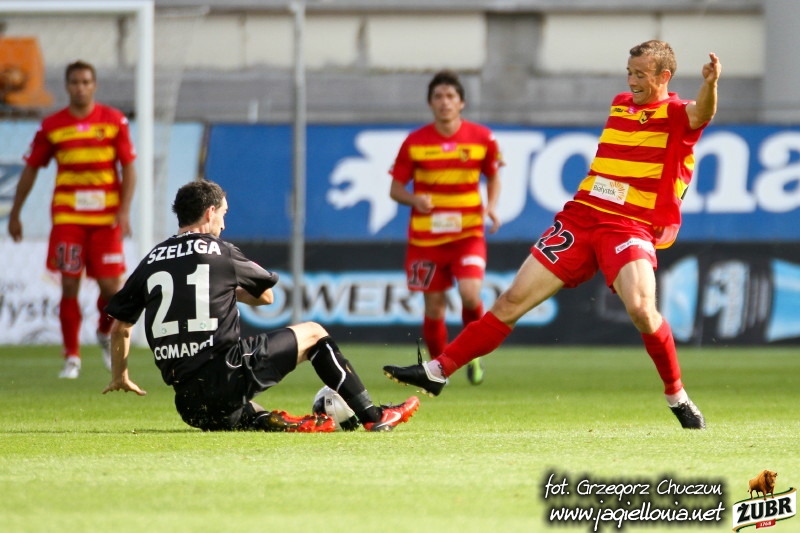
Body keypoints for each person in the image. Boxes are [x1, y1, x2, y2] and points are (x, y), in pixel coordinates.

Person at [385, 41, 722, 430]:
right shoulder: (620, 104)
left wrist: (710, 85)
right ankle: (438, 371)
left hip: (628, 224)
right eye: (629, 73)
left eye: (640, 75)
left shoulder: (677, 113)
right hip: (581, 217)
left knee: (642, 310)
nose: (632, 82)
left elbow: (703, 113)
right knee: (511, 301)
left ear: (664, 77)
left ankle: (676, 395)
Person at [101, 179, 420, 432]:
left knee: (237, 411)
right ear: (210, 213)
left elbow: (120, 327)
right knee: (314, 333)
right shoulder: (219, 251)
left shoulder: (152, 260)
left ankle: (272, 420)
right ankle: (373, 416)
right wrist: (230, 290)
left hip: (189, 405)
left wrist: (120, 376)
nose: (223, 224)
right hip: (225, 375)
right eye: (223, 214)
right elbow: (266, 295)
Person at [7, 60, 137, 379]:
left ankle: (104, 332)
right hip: (68, 219)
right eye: (75, 82)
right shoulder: (53, 125)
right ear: (67, 86)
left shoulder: (114, 121)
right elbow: (31, 169)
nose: (81, 87)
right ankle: (72, 357)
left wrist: (124, 211)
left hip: (106, 220)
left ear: (94, 85)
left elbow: (128, 168)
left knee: (112, 290)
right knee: (68, 284)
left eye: (86, 82)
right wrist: (15, 213)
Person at [389, 69, 503, 386]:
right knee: (434, 306)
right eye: (438, 96)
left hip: (468, 234)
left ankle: (473, 352)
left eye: (450, 96)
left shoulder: (483, 138)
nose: (444, 102)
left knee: (470, 294)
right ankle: (439, 372)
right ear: (430, 103)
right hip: (426, 240)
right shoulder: (414, 142)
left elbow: (493, 176)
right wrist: (414, 199)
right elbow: (395, 189)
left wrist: (491, 207)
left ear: (461, 102)